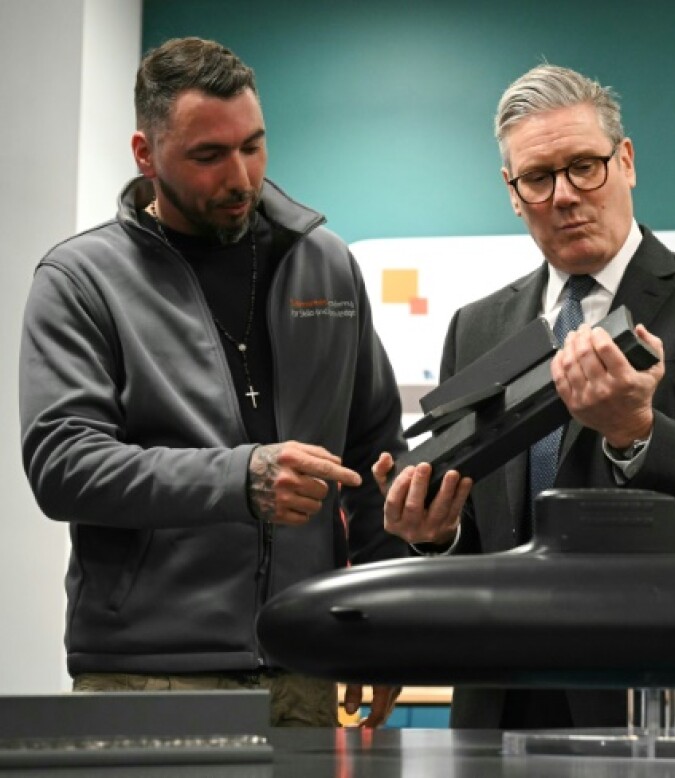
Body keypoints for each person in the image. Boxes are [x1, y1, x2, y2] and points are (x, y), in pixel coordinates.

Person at [375, 64, 675, 729]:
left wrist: (636, 430)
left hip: (672, 697)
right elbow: (482, 534)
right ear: (512, 193)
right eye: (538, 177)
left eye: (584, 167)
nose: (565, 195)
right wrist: (436, 534)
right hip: (509, 700)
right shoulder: (476, 326)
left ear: (625, 161)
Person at [19, 37, 407, 728]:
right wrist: (239, 479)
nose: (241, 178)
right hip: (145, 676)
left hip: (303, 667)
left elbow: (376, 455)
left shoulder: (325, 264)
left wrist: (384, 627)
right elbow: (63, 465)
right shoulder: (80, 281)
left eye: (253, 146)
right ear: (145, 154)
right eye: (209, 156)